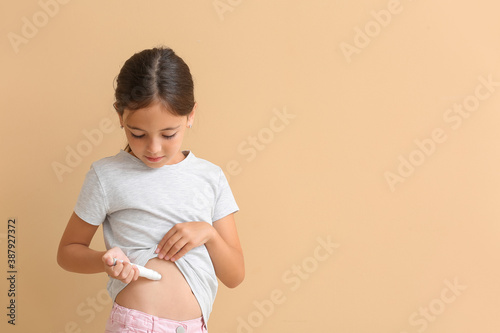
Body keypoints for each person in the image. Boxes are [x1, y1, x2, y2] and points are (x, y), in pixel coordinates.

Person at [57, 46, 245, 333]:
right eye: (138, 134)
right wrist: (105, 261)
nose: (154, 148)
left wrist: (207, 234)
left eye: (169, 134)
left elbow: (234, 276)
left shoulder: (211, 177)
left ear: (191, 116)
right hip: (135, 324)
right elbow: (68, 252)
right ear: (120, 116)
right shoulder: (106, 176)